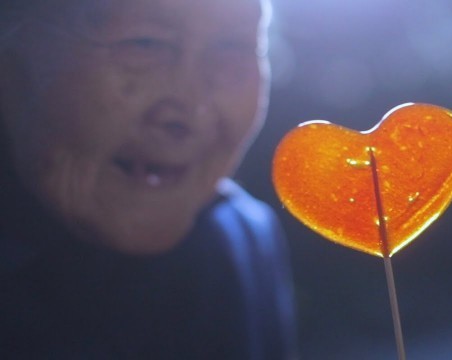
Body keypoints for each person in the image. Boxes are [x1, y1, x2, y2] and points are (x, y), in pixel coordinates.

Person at [0, 0, 296, 358]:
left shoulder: (240, 239)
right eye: (145, 44)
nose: (190, 112)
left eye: (231, 48)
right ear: (11, 61)